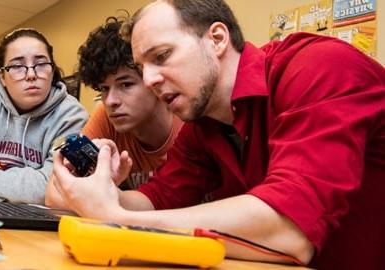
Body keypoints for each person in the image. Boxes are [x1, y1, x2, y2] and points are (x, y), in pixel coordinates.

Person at [51, 0, 385, 269]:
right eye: (143, 69)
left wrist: (114, 216)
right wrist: (98, 194)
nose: (151, 79)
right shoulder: (203, 125)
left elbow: (289, 227)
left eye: (162, 56)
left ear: (217, 39)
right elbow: (159, 198)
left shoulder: (318, 66)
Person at [44, 16, 183, 208]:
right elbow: (53, 195)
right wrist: (103, 187)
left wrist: (99, 197)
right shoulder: (106, 116)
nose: (111, 101)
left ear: (153, 80)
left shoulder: (187, 118)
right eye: (104, 89)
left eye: (126, 84)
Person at [0, 28, 87, 204]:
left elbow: (54, 187)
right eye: (17, 66)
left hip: (39, 222)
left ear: (52, 71)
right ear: (2, 76)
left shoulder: (72, 115)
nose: (31, 75)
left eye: (41, 64)